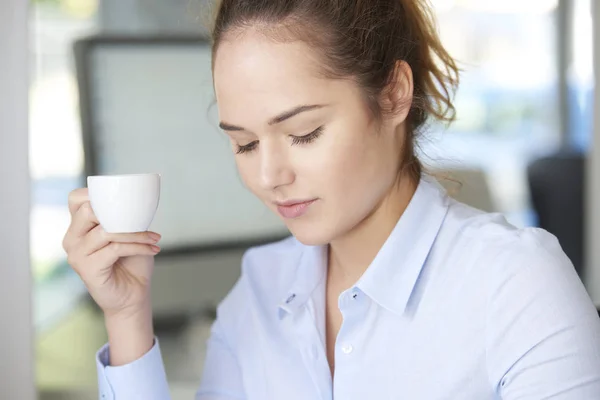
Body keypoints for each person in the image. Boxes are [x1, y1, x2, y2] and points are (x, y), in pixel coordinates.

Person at [62, 0, 600, 398]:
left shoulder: (515, 285)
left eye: (304, 134)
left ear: (392, 96)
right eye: (245, 144)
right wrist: (129, 315)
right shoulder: (259, 290)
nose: (270, 175)